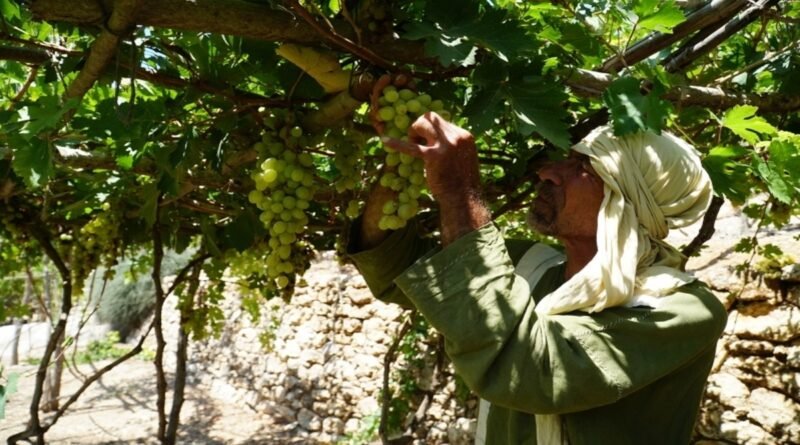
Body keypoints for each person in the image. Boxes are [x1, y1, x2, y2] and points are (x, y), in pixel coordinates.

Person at [347, 111, 727, 445]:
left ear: (625, 200)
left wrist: (460, 191)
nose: (547, 172)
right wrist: (402, 162)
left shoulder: (681, 309)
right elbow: (392, 264)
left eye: (583, 167)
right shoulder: (529, 264)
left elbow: (532, 371)